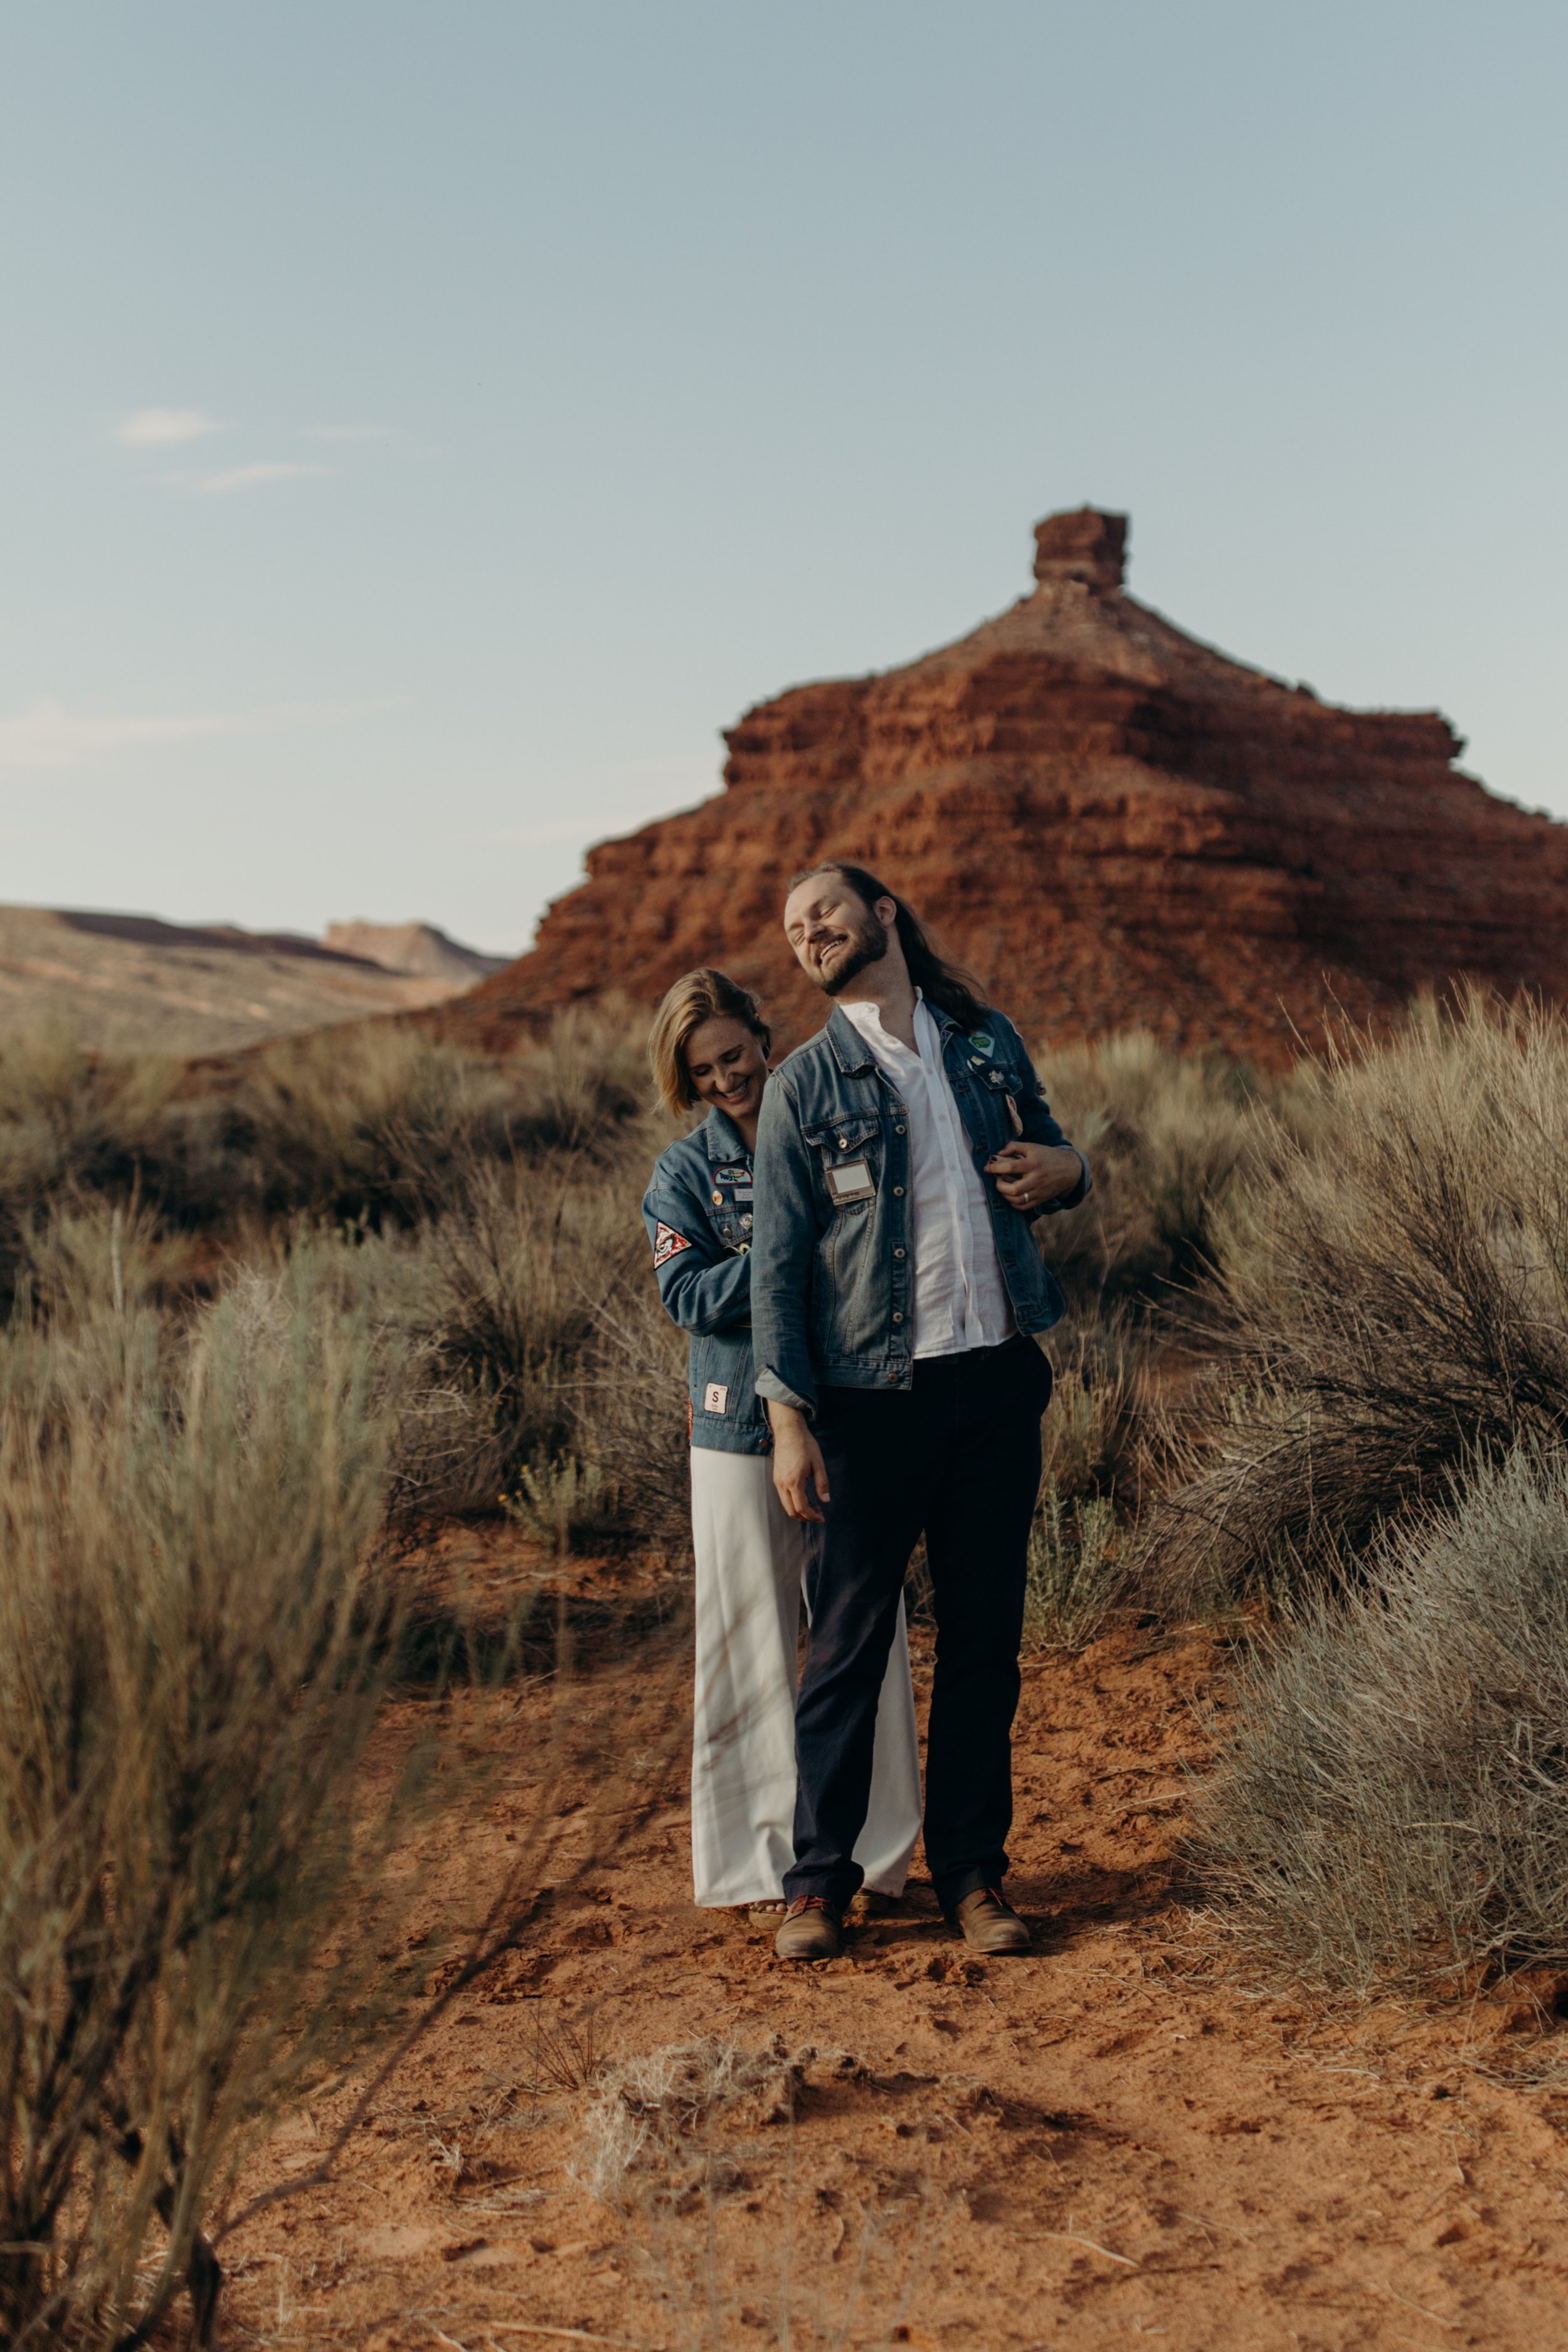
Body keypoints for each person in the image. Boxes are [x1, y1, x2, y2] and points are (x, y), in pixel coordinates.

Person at [750, 865, 1092, 1962]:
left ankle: (974, 1877)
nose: (810, 932)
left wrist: (1067, 1166)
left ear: (883, 914)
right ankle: (817, 1883)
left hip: (993, 1379)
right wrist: (790, 1418)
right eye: (795, 929)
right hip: (870, 1401)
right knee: (847, 1644)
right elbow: (780, 1266)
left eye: (825, 912)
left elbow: (1053, 1145)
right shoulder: (804, 1083)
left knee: (985, 1645)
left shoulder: (983, 1040)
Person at [642, 967, 924, 1928]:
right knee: (747, 1638)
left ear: (764, 1039)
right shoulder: (683, 1173)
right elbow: (687, 1297)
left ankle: (876, 1854)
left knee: (864, 1637)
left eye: (734, 1054)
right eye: (704, 1069)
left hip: (849, 1412)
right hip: (733, 1426)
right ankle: (754, 1863)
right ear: (686, 1080)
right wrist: (789, 1249)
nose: (727, 1078)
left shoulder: (825, 1130)